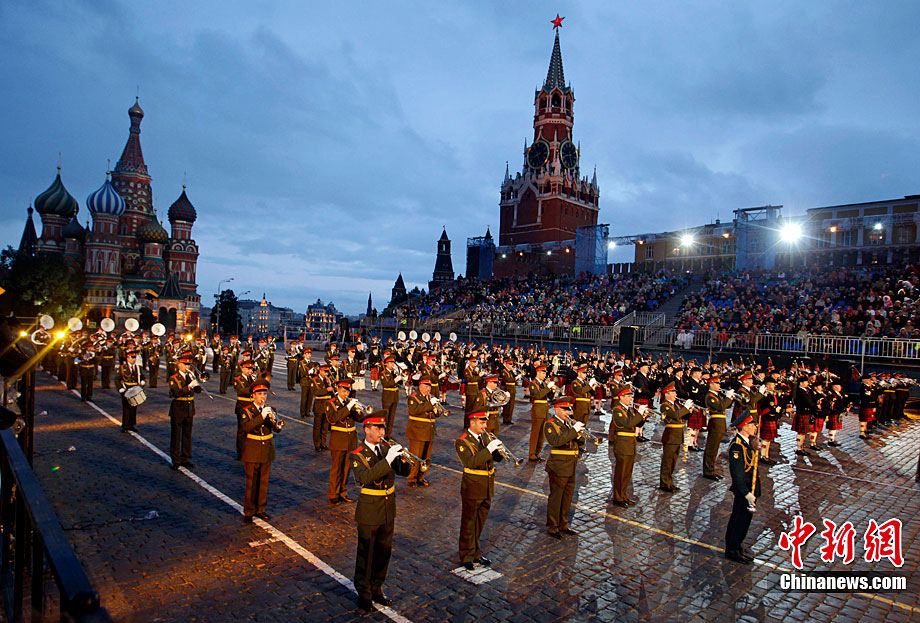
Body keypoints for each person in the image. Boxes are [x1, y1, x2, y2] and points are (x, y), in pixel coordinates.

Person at [350, 411, 411, 611]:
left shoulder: (386, 449)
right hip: (369, 509)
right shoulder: (357, 454)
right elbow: (365, 477)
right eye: (378, 428)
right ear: (367, 429)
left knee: (384, 551)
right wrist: (388, 460)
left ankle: (377, 587)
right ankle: (364, 593)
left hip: (387, 508)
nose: (382, 432)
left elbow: (403, 473)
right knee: (366, 553)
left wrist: (403, 459)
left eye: (383, 428)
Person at [455, 410, 504, 570]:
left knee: (479, 522)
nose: (485, 426)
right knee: (469, 523)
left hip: (487, 486)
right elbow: (471, 462)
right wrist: (488, 449)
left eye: (485, 422)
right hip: (473, 486)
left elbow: (497, 459)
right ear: (472, 422)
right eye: (482, 422)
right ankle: (466, 556)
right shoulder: (462, 441)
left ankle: (476, 553)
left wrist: (498, 449)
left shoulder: (485, 438)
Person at [240, 378, 281, 523]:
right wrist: (261, 416)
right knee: (251, 482)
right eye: (259, 394)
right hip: (253, 448)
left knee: (264, 481)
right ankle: (249, 511)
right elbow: (246, 427)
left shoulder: (270, 409)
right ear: (253, 395)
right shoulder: (246, 410)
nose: (263, 397)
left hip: (267, 448)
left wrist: (273, 420)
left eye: (264, 394)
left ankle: (261, 509)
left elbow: (277, 429)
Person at [544, 396, 583, 538]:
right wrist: (573, 432)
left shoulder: (569, 424)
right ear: (557, 409)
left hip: (571, 464)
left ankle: (563, 524)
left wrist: (579, 435)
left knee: (567, 497)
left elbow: (580, 442)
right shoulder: (550, 424)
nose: (568, 412)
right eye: (565, 409)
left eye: (569, 409)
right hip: (558, 466)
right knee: (556, 497)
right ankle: (552, 526)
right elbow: (556, 441)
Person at [725, 409, 761, 564]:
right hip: (744, 489)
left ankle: (737, 546)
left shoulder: (746, 443)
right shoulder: (737, 446)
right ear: (745, 427)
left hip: (749, 488)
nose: (755, 427)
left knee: (744, 521)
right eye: (752, 425)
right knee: (739, 520)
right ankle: (732, 550)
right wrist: (746, 493)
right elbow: (737, 473)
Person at [610, 386, 646, 507]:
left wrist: (643, 417)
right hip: (622, 444)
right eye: (629, 396)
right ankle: (618, 497)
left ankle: (624, 495)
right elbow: (628, 423)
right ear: (622, 397)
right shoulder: (617, 410)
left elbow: (637, 423)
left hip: (630, 444)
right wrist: (639, 414)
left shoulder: (629, 410)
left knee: (627, 473)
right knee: (621, 472)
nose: (631, 398)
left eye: (631, 396)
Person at [326, 377, 361, 504]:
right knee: (337, 468)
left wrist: (358, 410)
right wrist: (348, 408)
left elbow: (359, 419)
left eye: (347, 392)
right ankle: (333, 494)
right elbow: (333, 418)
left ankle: (342, 492)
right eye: (344, 391)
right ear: (338, 389)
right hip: (338, 440)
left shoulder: (349, 403)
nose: (346, 394)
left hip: (350, 440)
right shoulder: (331, 403)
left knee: (346, 468)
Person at [168, 353, 201, 469]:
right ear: (179, 364)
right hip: (178, 408)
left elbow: (198, 391)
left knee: (187, 435)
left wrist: (198, 381)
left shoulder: (190, 376)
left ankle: (185, 458)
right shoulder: (174, 378)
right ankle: (175, 460)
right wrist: (189, 387)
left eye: (189, 365)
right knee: (176, 435)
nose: (187, 367)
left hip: (189, 408)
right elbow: (175, 393)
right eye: (185, 364)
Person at [658, 383, 692, 492]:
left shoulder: (676, 405)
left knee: (673, 461)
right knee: (667, 461)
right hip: (671, 435)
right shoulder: (665, 405)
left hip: (678, 436)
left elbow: (683, 416)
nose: (675, 394)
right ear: (666, 394)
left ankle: (670, 482)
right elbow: (676, 415)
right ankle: (664, 483)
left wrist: (689, 410)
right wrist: (685, 408)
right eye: (673, 392)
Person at [405, 376, 438, 487]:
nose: (428, 389)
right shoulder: (413, 397)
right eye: (426, 386)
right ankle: (412, 478)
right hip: (417, 431)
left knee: (425, 456)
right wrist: (430, 404)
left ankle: (421, 477)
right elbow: (414, 410)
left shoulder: (430, 397)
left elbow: (435, 414)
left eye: (429, 386)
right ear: (420, 386)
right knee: (416, 456)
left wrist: (436, 409)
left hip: (429, 431)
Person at [702, 375, 733, 480]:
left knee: (715, 448)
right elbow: (720, 406)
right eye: (717, 383)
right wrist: (727, 398)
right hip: (715, 423)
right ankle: (708, 471)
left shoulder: (716, 395)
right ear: (711, 384)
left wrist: (730, 398)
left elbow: (726, 406)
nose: (719, 385)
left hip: (719, 423)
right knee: (711, 448)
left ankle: (711, 469)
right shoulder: (710, 396)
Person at [528, 365, 553, 462]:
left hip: (544, 410)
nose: (544, 375)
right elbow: (537, 396)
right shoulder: (533, 384)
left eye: (545, 373)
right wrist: (547, 388)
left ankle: (538, 453)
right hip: (538, 409)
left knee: (542, 433)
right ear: (538, 373)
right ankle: (532, 454)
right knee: (535, 432)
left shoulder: (543, 384)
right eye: (543, 373)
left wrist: (552, 390)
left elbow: (550, 397)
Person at [115, 349, 146, 432]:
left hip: (135, 389)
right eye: (132, 358)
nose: (134, 359)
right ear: (127, 358)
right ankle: (125, 425)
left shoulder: (138, 368)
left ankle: (132, 424)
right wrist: (120, 388)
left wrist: (143, 381)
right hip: (126, 389)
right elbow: (117, 379)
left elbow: (142, 376)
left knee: (133, 408)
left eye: (134, 357)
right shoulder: (122, 368)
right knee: (126, 408)